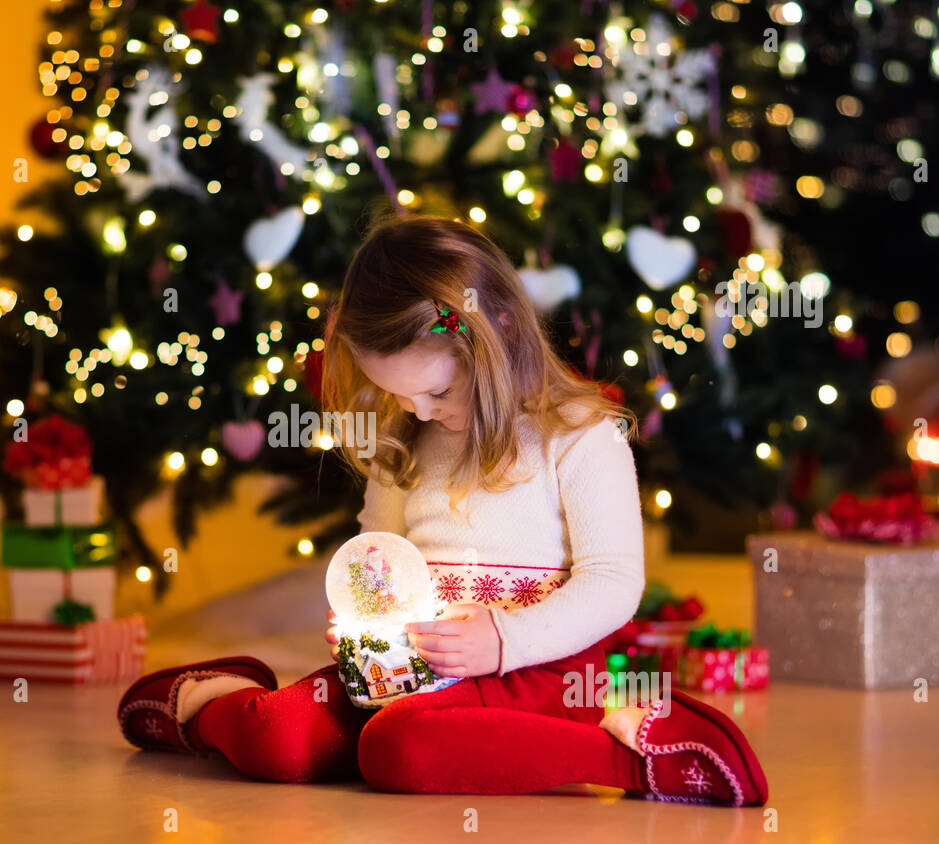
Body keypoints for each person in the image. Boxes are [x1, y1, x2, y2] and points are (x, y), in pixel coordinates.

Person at [118, 214, 768, 807]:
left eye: (436, 390)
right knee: (282, 738)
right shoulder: (407, 440)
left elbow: (614, 584)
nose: (420, 411)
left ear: (499, 333)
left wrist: (501, 640)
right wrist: (364, 628)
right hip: (415, 674)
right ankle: (204, 702)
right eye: (402, 395)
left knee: (402, 748)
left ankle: (643, 753)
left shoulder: (579, 436)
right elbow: (378, 560)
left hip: (541, 676)